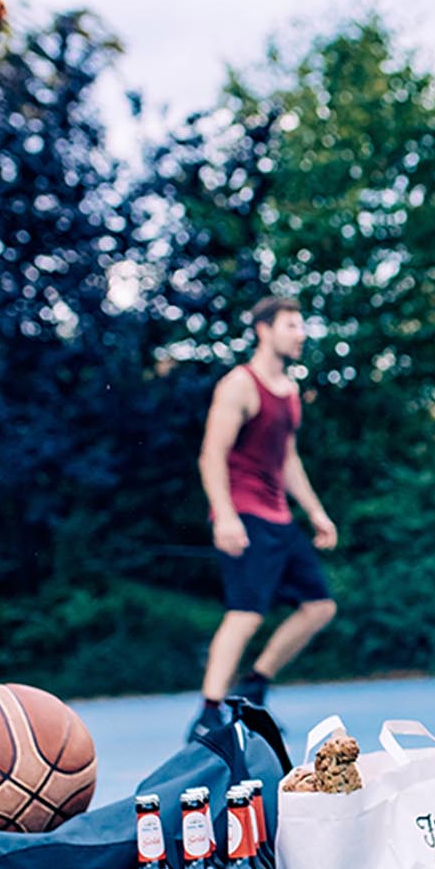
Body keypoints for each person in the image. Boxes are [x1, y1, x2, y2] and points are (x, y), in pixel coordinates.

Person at [189, 295, 338, 740]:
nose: (301, 334)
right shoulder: (239, 384)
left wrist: (315, 511)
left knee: (319, 607)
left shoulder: (290, 392)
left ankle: (254, 684)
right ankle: (209, 711)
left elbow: (287, 458)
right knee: (246, 613)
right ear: (264, 330)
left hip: (278, 517)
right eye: (291, 325)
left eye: (301, 325)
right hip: (244, 514)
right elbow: (211, 454)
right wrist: (225, 516)